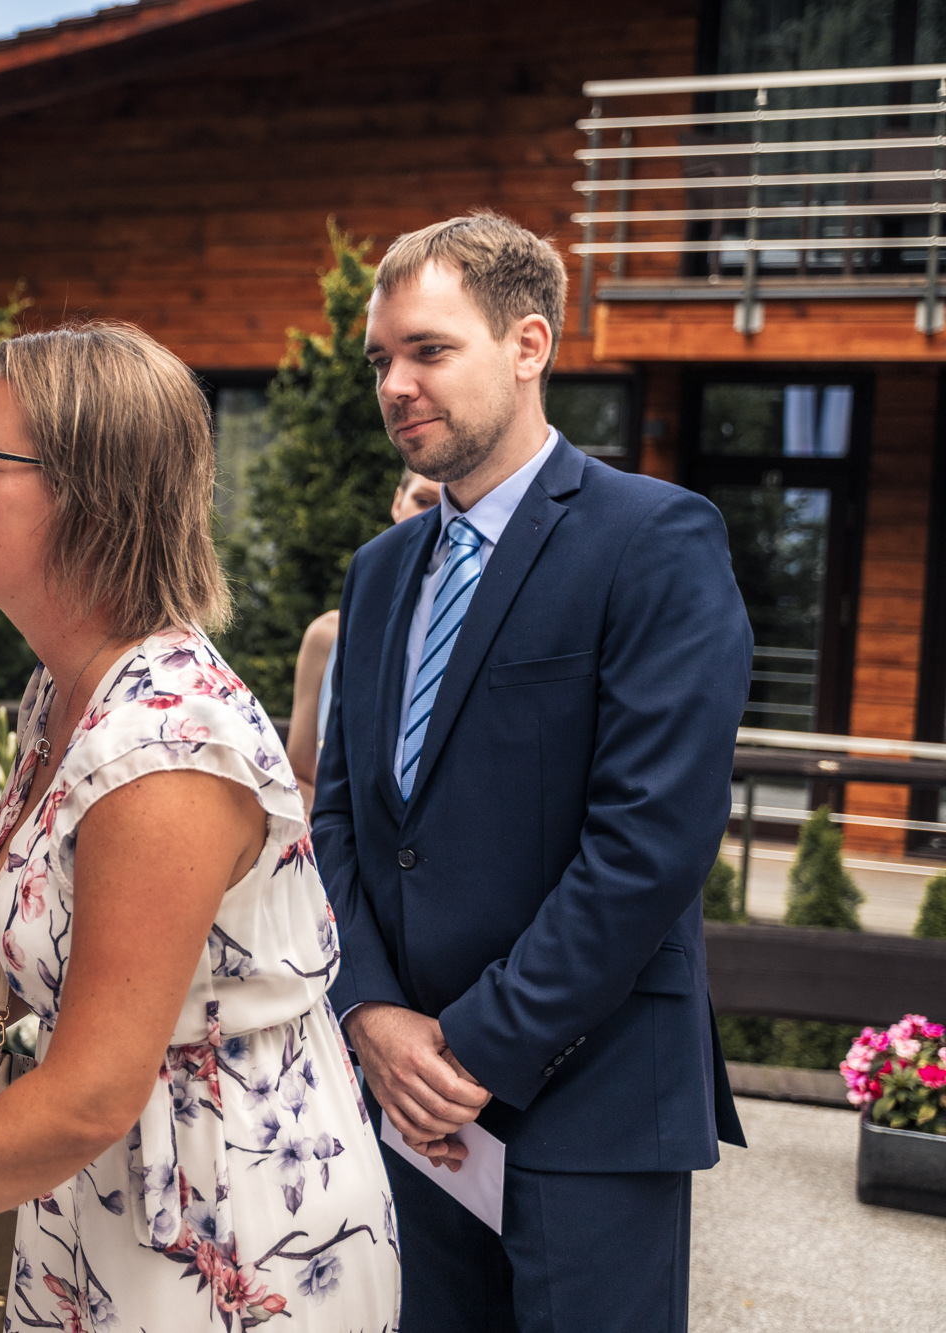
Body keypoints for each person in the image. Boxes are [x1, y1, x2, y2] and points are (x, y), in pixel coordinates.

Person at [0, 322, 400, 1330]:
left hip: (224, 1221)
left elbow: (89, 1095)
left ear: (91, 497)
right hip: (103, 1193)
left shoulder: (165, 747)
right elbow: (50, 921)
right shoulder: (63, 689)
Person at [316, 211, 750, 1332]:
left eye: (428, 349)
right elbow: (337, 821)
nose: (395, 384)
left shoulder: (653, 539)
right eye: (380, 359)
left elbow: (647, 845)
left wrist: (468, 1048)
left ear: (528, 345)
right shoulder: (378, 573)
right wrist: (370, 1013)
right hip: (404, 1107)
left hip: (587, 1101)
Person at [287, 469, 439, 809]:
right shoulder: (327, 636)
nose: (434, 518)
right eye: (423, 500)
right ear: (397, 502)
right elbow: (301, 777)